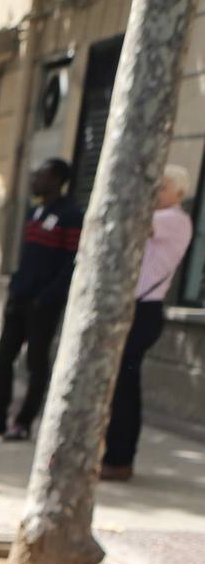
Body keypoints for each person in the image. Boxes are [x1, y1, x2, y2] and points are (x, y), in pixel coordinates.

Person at [0, 158, 80, 441]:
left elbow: (71, 263)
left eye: (40, 175)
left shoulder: (70, 214)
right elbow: (28, 257)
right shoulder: (35, 211)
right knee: (3, 357)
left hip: (43, 304)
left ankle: (23, 422)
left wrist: (47, 297)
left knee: (36, 363)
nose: (34, 181)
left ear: (57, 180)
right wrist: (16, 289)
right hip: (20, 299)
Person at [104, 164, 194, 483]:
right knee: (121, 385)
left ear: (179, 193)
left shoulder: (173, 219)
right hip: (136, 309)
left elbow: (129, 220)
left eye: (163, 186)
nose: (156, 191)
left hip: (144, 311)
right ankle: (114, 454)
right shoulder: (164, 218)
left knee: (125, 387)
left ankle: (119, 458)